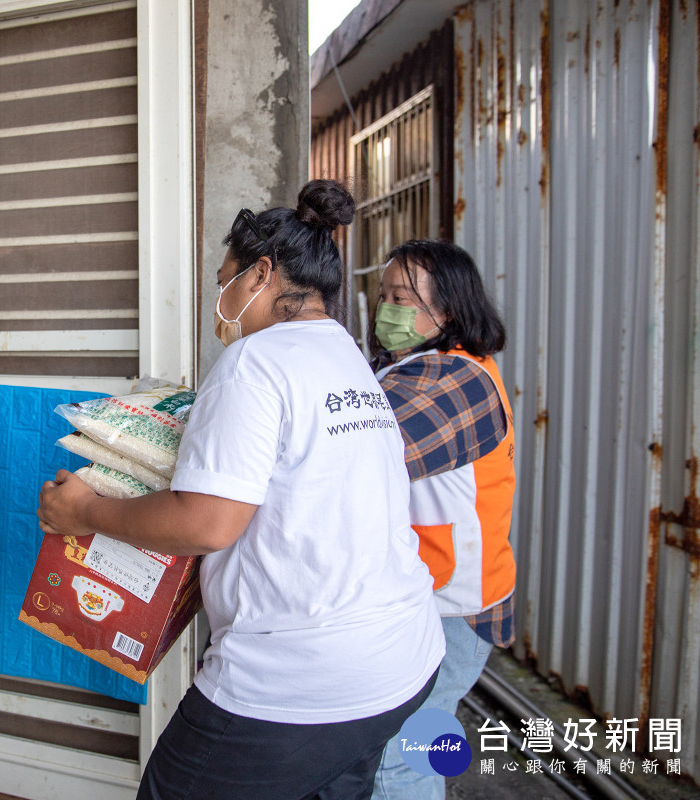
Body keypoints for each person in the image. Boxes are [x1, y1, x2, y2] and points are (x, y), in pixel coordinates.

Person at [37, 180, 445, 800]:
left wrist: (86, 510)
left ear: (260, 274)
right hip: (400, 659)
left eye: (224, 278)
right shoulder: (347, 357)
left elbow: (209, 523)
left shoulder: (256, 363)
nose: (219, 298)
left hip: (299, 680)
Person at [368, 240, 516, 800]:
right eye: (383, 295)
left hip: (448, 605)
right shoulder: (430, 367)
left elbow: (356, 452)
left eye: (402, 297)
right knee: (425, 746)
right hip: (453, 596)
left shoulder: (450, 381)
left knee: (398, 762)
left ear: (447, 309)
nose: (387, 308)